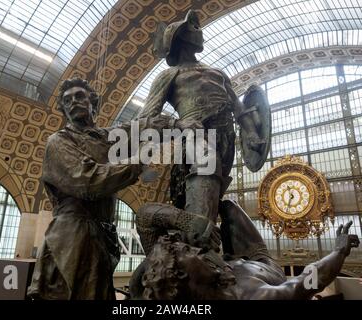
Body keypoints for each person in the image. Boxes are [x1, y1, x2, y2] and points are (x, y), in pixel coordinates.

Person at [27, 78, 197, 300]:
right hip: (71, 239)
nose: (73, 102)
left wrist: (179, 125)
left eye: (79, 96)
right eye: (67, 100)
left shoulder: (107, 138)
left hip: (102, 237)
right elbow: (89, 182)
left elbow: (143, 126)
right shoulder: (59, 141)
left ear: (93, 103)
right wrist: (138, 161)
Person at [139, 10, 266, 224]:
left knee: (214, 193)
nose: (200, 32)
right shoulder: (169, 75)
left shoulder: (218, 72)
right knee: (205, 183)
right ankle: (199, 239)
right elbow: (144, 119)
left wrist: (251, 133)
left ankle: (203, 234)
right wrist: (177, 124)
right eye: (194, 28)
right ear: (180, 37)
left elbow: (238, 107)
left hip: (226, 139)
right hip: (196, 139)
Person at [130, 200, 360, 300]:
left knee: (221, 203)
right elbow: (307, 282)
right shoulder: (254, 297)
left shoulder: (183, 278)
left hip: (234, 262)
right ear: (184, 275)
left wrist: (184, 220)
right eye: (189, 253)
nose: (198, 252)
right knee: (229, 206)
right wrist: (339, 251)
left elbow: (144, 216)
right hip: (259, 259)